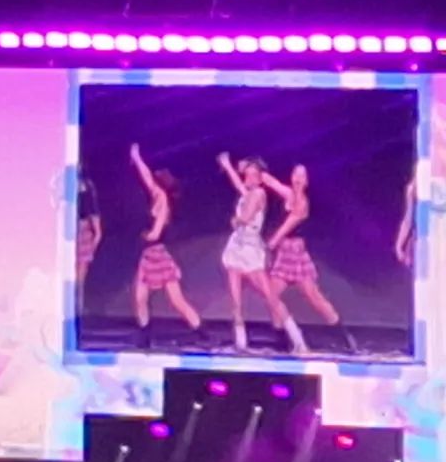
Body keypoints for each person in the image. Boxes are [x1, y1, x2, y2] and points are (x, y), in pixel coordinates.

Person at [218, 153, 307, 354]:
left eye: (252, 175)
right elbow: (239, 187)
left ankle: (297, 339)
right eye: (246, 175)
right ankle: (241, 343)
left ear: (259, 179)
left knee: (270, 296)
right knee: (235, 300)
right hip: (236, 246)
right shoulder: (248, 192)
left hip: (251, 250)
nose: (247, 178)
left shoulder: (259, 194)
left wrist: (237, 220)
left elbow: (246, 216)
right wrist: (229, 166)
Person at [261, 165, 356, 350]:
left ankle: (344, 337)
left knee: (314, 297)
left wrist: (271, 242)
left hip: (296, 254)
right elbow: (272, 182)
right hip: (284, 254)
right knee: (271, 295)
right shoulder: (288, 194)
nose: (297, 178)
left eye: (301, 176)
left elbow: (286, 227)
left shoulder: (303, 204)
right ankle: (281, 338)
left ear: (306, 181)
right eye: (295, 174)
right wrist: (257, 171)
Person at [130, 144, 203, 346]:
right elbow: (145, 176)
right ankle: (144, 334)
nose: (154, 176)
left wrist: (146, 235)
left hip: (157, 254)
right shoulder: (156, 194)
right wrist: (137, 158)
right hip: (148, 254)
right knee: (140, 296)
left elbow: (156, 232)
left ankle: (200, 331)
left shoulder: (163, 200)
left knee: (176, 299)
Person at [76, 173, 102, 300]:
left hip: (83, 230)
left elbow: (92, 207)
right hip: (66, 230)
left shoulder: (86, 184)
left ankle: (76, 304)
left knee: (79, 279)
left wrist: (97, 232)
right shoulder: (60, 181)